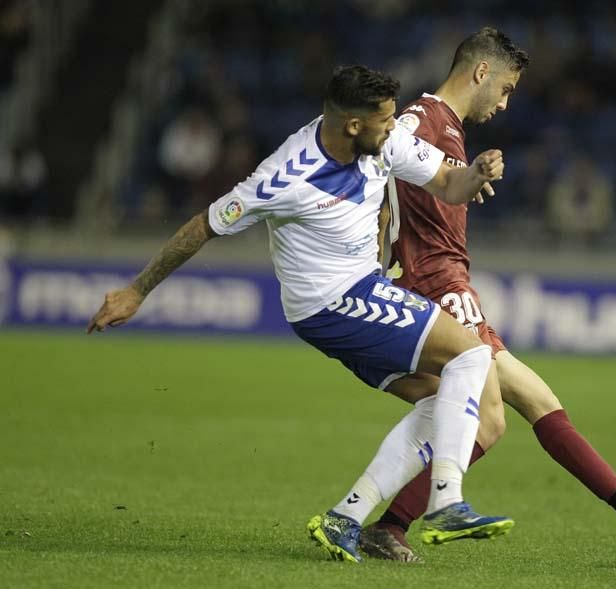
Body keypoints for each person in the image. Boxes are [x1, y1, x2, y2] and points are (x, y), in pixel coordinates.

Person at [86, 64, 515, 563]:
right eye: (384, 120)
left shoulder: (386, 137)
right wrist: (138, 290)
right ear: (353, 124)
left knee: (443, 399)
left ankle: (347, 518)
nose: (395, 126)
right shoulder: (283, 177)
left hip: (359, 292)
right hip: (333, 302)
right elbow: (203, 225)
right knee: (472, 355)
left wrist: (475, 174)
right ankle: (446, 501)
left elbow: (447, 183)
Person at [361, 28, 616, 562]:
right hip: (435, 285)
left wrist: (464, 177)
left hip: (448, 284)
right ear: (481, 73)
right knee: (487, 420)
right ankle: (387, 523)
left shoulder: (443, 129)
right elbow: (379, 174)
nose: (505, 101)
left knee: (538, 400)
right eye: (507, 88)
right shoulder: (419, 122)